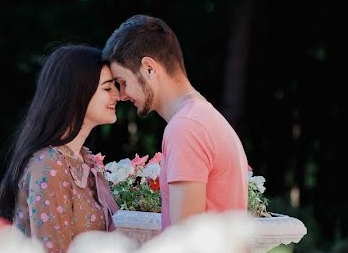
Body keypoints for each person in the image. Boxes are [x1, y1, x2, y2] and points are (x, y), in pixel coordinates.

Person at [102, 14, 248, 228]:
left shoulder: (186, 127)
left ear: (149, 68)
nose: (122, 95)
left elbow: (183, 243)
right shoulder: (202, 118)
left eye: (122, 82)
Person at [0, 44, 120, 253]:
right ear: (77, 92)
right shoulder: (49, 163)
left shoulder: (83, 161)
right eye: (108, 88)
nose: (117, 95)